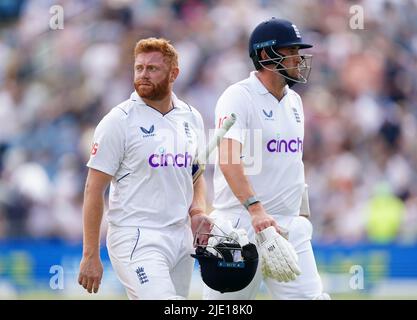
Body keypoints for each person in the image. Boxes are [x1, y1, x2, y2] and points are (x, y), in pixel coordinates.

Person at [204, 18, 330, 300]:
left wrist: (300, 213)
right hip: (239, 226)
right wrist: (256, 210)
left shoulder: (294, 101)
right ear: (266, 55)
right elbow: (227, 158)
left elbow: (291, 162)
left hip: (287, 227)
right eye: (292, 50)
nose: (299, 58)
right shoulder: (237, 96)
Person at [78, 37, 209, 299]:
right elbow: (94, 190)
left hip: (180, 237)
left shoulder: (191, 117)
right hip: (135, 236)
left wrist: (197, 211)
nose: (143, 75)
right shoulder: (118, 121)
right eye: (139, 68)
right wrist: (90, 254)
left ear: (174, 74)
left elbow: (195, 175)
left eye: (152, 69)